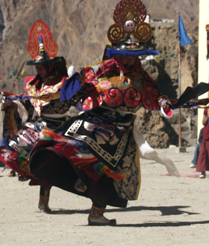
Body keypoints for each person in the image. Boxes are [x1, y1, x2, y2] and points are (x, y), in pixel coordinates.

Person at [27, 0, 188, 226]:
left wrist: (163, 103)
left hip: (124, 135)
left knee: (114, 176)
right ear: (117, 52)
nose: (131, 58)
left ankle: (96, 213)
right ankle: (76, 179)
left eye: (135, 54)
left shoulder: (141, 78)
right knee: (76, 152)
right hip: (97, 125)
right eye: (126, 54)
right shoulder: (101, 72)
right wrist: (75, 82)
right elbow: (73, 87)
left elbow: (155, 95)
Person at [0, 20, 81, 213]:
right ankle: (39, 193)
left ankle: (81, 181)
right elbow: (29, 104)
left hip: (62, 126)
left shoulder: (63, 83)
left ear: (51, 65)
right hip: (42, 126)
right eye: (37, 68)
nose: (39, 71)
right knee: (29, 153)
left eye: (42, 67)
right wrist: (12, 103)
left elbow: (72, 98)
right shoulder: (35, 85)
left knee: (78, 153)